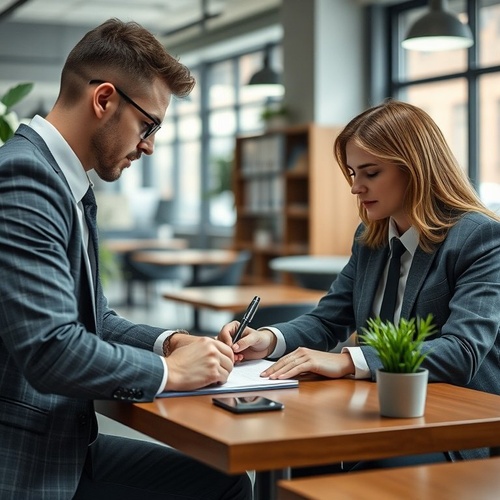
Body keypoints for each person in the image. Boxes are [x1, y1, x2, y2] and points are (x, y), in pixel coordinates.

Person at [0, 19, 252, 499]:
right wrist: (171, 374)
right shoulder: (26, 179)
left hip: (66, 445)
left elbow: (93, 320)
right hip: (27, 463)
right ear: (104, 100)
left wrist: (172, 342)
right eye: (149, 125)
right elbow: (51, 349)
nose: (150, 146)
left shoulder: (65, 184)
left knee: (225, 482)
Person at [219, 99, 500, 466]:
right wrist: (267, 339)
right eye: (352, 173)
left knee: (344, 460)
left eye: (370, 173)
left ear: (414, 169)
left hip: (453, 425)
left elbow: (461, 351)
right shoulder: (371, 236)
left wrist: (351, 361)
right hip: (378, 409)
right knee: (300, 448)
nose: (355, 187)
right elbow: (328, 319)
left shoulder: (478, 238)